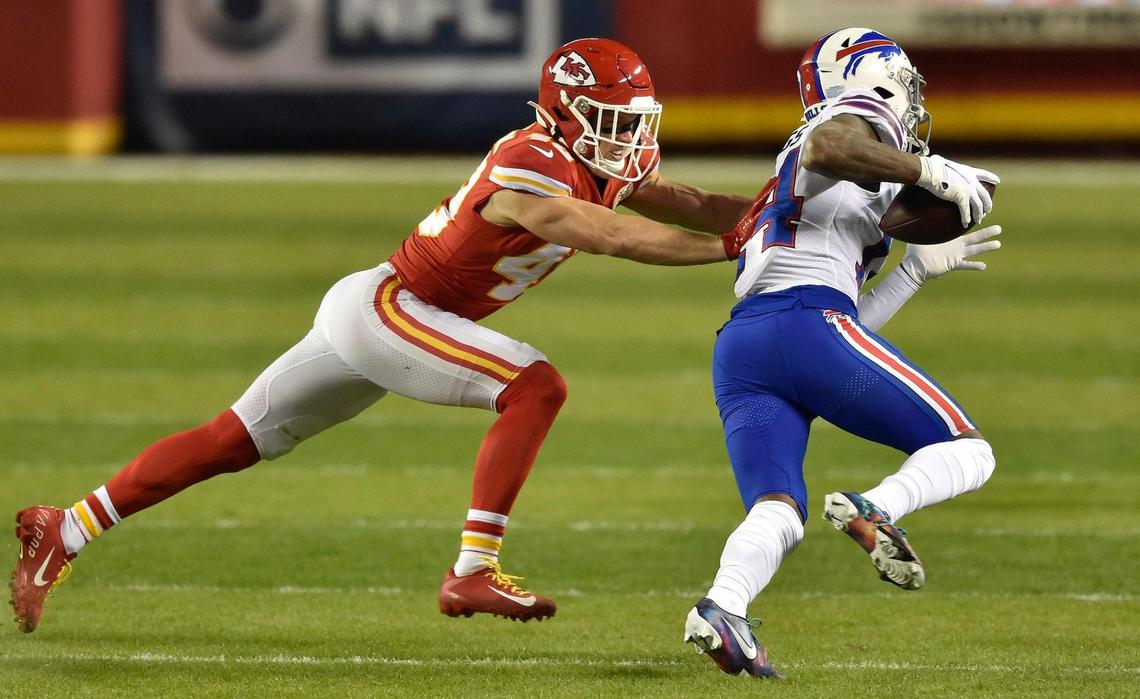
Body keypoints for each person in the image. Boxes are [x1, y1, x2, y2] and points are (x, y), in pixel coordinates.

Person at [10, 37, 758, 633]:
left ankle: (65, 526)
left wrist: (784, 211)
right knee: (535, 385)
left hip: (385, 311)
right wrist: (730, 252)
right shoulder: (533, 161)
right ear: (566, 116)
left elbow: (689, 201)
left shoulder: (591, 159)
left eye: (635, 123)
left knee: (230, 439)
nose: (629, 141)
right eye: (614, 123)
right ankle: (472, 569)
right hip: (391, 309)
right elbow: (611, 235)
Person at [680, 28, 1002, 678]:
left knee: (778, 510)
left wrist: (911, 274)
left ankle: (722, 606)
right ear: (874, 78)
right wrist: (924, 169)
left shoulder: (824, 172)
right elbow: (834, 140)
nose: (910, 100)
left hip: (747, 347)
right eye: (903, 83)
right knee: (969, 450)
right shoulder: (849, 123)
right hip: (803, 326)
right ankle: (878, 506)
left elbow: (844, 321)